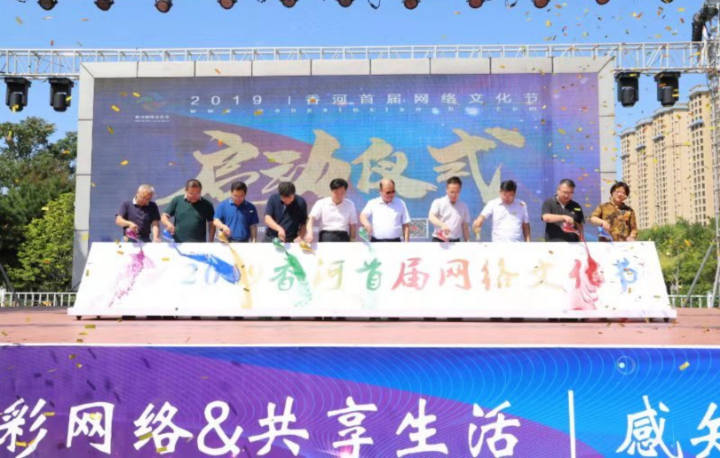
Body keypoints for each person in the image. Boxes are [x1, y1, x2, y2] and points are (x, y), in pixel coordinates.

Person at [305, 178, 357, 243]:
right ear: (331, 191)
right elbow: (311, 218)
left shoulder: (350, 204)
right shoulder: (321, 203)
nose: (339, 195)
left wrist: (352, 241)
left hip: (343, 235)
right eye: (336, 192)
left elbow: (352, 225)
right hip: (326, 234)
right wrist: (309, 232)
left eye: (342, 193)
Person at [428, 176, 470, 242]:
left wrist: (467, 241)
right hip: (439, 241)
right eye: (451, 192)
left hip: (455, 241)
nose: (453, 195)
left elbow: (465, 226)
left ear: (460, 191)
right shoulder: (438, 202)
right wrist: (442, 225)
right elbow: (431, 217)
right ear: (446, 190)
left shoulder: (463, 206)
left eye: (456, 192)